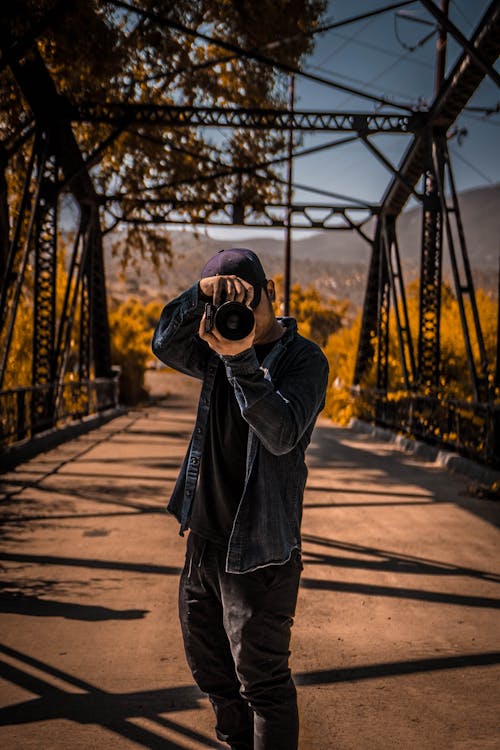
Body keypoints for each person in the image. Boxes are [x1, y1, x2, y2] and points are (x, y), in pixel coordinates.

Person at [152, 248, 329, 750]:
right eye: (226, 305)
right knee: (214, 677)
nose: (238, 317)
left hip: (261, 553)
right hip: (204, 542)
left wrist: (242, 360)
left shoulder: (304, 359)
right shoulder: (212, 343)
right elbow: (163, 343)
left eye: (248, 301)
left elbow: (281, 432)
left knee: (264, 685)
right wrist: (199, 297)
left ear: (270, 292)